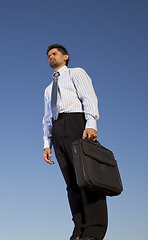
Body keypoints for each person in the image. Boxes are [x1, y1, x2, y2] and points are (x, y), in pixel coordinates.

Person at [42, 44, 108, 240]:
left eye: (54, 54)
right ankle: (79, 229)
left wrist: (91, 124)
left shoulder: (76, 73)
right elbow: (46, 118)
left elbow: (89, 97)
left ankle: (94, 231)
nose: (50, 57)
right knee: (71, 184)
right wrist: (47, 144)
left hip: (76, 122)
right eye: (48, 55)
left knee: (88, 177)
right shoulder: (47, 89)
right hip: (57, 129)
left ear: (66, 56)